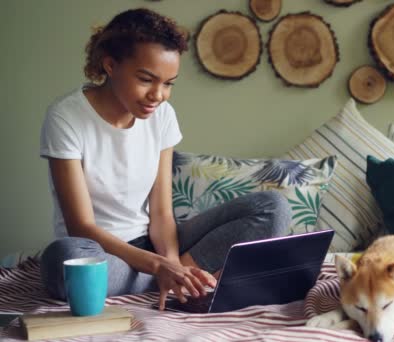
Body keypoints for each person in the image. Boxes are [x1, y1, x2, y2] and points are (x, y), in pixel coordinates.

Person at [38, 8, 291, 310]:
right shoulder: (66, 117)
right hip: (98, 251)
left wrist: (171, 262)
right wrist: (158, 267)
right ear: (110, 65)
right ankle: (164, 279)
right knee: (61, 259)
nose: (158, 95)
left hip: (152, 240)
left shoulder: (162, 117)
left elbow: (160, 213)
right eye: (146, 79)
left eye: (169, 83)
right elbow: (81, 226)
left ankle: (174, 277)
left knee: (273, 207)